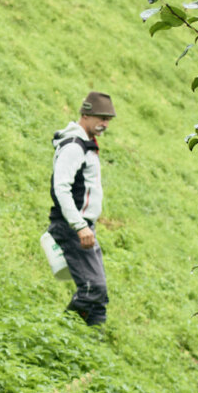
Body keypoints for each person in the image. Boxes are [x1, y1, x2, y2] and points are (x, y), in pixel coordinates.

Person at [48, 91, 115, 326]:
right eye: (100, 118)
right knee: (92, 289)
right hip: (73, 227)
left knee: (99, 293)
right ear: (85, 115)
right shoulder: (74, 147)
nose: (104, 124)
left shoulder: (86, 145)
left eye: (108, 120)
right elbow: (61, 188)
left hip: (83, 227)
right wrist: (79, 226)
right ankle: (60, 336)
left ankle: (93, 344)